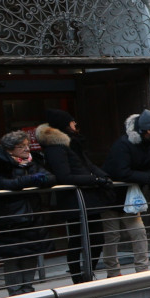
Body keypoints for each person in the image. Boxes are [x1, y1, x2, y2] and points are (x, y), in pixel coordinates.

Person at [37, 110, 114, 282]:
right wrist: (94, 179)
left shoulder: (72, 144)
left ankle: (88, 273)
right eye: (72, 122)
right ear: (66, 125)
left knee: (97, 239)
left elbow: (87, 164)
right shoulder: (56, 147)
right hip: (75, 200)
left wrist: (103, 176)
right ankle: (78, 277)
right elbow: (64, 176)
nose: (75, 125)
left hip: (89, 198)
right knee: (78, 240)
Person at [0, 130, 56, 295]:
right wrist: (31, 180)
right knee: (12, 256)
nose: (26, 149)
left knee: (31, 253)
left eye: (27, 145)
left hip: (32, 216)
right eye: (21, 146)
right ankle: (15, 291)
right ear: (10, 149)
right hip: (10, 218)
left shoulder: (32, 161)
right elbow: (1, 183)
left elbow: (50, 177)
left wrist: (37, 179)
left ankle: (28, 288)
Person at [102, 111, 150, 275]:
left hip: (131, 197)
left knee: (139, 232)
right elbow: (122, 172)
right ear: (148, 130)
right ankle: (113, 272)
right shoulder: (123, 145)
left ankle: (142, 270)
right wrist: (148, 176)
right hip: (111, 196)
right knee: (112, 235)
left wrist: (146, 176)